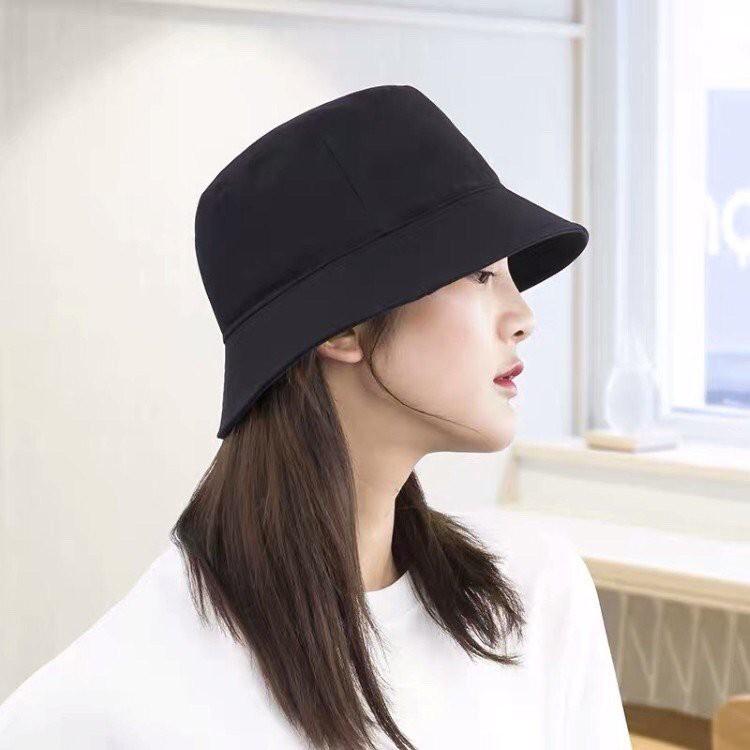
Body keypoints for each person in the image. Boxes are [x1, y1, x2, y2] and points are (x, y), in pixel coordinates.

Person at [0, 84, 632, 749]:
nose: (524, 317)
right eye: (479, 273)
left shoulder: (535, 595)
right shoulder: (107, 701)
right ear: (343, 328)